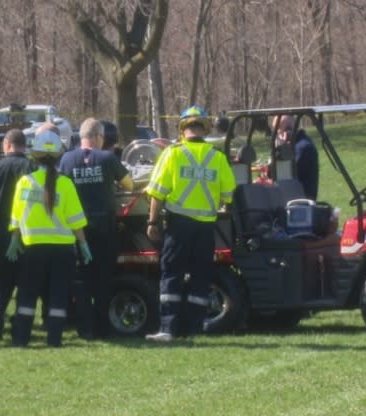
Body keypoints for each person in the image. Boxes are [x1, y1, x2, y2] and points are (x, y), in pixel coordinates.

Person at [144, 105, 235, 342]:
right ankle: (195, 328)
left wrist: (152, 222)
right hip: (206, 228)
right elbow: (229, 195)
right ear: (204, 128)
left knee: (172, 274)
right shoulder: (217, 157)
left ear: (183, 129)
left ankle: (168, 328)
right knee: (200, 276)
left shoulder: (172, 154)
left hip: (178, 226)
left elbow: (156, 192)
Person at [7, 130, 90, 347]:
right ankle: (54, 340)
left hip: (32, 249)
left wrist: (15, 239)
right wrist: (83, 244)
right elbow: (76, 222)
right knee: (58, 296)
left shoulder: (24, 183)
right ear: (59, 156)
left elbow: (16, 216)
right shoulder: (66, 184)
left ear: (34, 155)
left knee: (26, 295)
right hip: (63, 251)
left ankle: (20, 339)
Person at [58, 118, 133, 339]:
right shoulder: (108, 158)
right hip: (104, 229)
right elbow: (128, 184)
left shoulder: (67, 159)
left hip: (77, 230)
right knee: (103, 279)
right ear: (99, 137)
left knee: (81, 281)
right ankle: (103, 327)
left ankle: (84, 328)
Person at [0, 128, 36, 340]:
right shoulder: (32, 167)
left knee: (1, 280)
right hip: (27, 233)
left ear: (7, 145)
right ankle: (20, 324)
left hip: (2, 232)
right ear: (23, 145)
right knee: (25, 280)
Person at [272, 114, 319, 199]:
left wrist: (282, 149)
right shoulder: (296, 145)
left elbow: (286, 175)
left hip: (299, 203)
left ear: (288, 131)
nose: (275, 135)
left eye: (277, 129)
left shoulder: (302, 148)